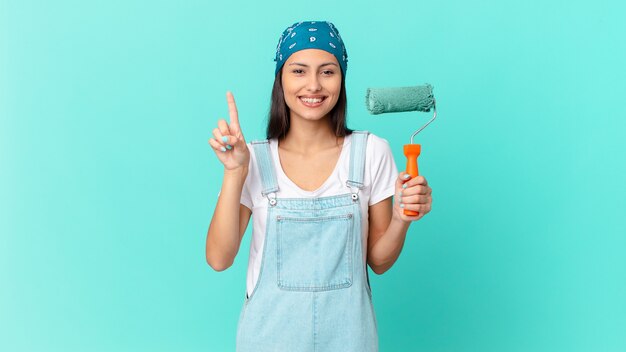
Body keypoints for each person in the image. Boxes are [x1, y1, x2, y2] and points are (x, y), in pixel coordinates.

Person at [206, 20, 433, 352]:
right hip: (267, 339)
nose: (313, 85)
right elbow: (219, 258)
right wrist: (235, 171)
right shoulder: (253, 159)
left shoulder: (371, 152)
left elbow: (380, 262)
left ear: (342, 79)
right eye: (299, 71)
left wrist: (402, 218)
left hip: (349, 340)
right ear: (280, 79)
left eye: (327, 72)